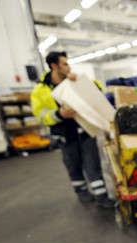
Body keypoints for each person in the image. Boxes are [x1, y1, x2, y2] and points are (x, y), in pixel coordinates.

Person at [31, 51, 114, 208]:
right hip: (65, 134)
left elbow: (97, 90)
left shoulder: (73, 80)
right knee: (73, 165)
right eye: (64, 64)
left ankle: (102, 196)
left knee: (93, 163)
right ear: (54, 66)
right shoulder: (40, 91)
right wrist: (59, 114)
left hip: (85, 130)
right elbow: (40, 115)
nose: (68, 67)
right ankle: (81, 191)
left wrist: (80, 81)